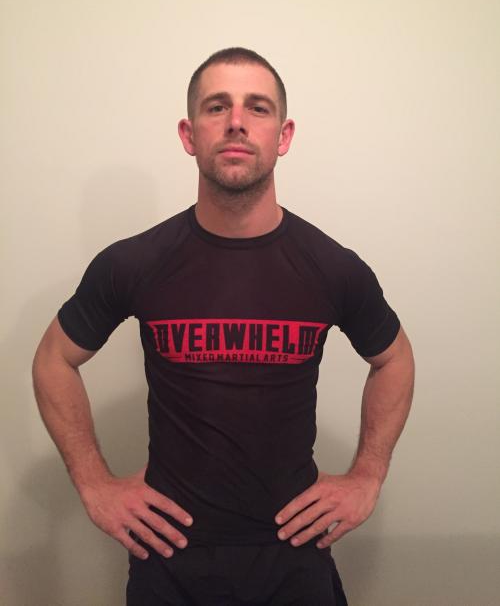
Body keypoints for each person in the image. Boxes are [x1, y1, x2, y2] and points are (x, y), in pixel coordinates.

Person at [33, 47, 414, 605]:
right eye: (217, 107)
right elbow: (53, 359)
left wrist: (367, 476)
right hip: (170, 558)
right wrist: (94, 483)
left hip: (293, 555)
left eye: (257, 107)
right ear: (189, 135)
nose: (237, 122)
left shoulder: (333, 267)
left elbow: (394, 359)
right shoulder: (133, 262)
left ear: (283, 136)